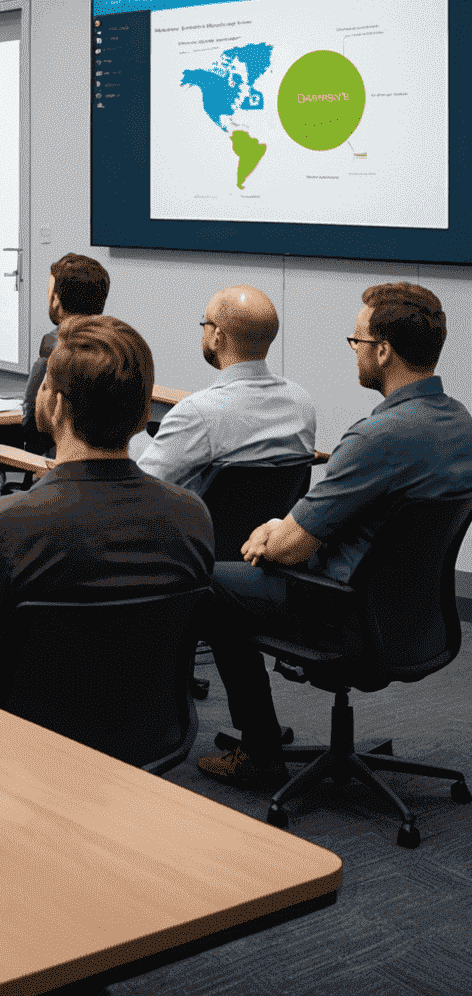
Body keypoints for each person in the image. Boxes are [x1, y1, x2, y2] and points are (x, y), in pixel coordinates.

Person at [198, 282, 472, 790]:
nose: (355, 353)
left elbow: (290, 546)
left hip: (341, 613)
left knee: (214, 583)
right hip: (415, 618)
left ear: (383, 350)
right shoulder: (461, 424)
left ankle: (260, 749)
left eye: (356, 343)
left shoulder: (378, 437)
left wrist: (272, 533)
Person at [0, 315, 214, 696]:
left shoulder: (5, 526)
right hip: (150, 733)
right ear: (143, 415)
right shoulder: (193, 516)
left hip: (28, 731)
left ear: (52, 403)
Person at [129, 285, 316, 495]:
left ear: (218, 335)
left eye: (205, 323)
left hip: (199, 527)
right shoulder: (301, 403)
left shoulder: (196, 413)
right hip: (272, 527)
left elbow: (139, 491)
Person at [19, 253, 109, 451]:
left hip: (58, 460)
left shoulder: (54, 343)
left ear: (57, 301)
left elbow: (32, 417)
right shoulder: (117, 343)